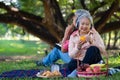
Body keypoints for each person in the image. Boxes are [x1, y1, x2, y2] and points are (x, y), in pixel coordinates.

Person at [66, 9, 108, 77]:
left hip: (94, 61)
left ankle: (80, 70)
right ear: (78, 24)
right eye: (82, 24)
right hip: (80, 61)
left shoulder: (94, 34)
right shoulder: (73, 36)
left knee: (92, 48)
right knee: (71, 65)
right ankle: (84, 69)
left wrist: (92, 43)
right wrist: (78, 47)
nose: (84, 26)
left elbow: (103, 50)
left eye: (87, 24)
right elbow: (71, 55)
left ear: (90, 26)